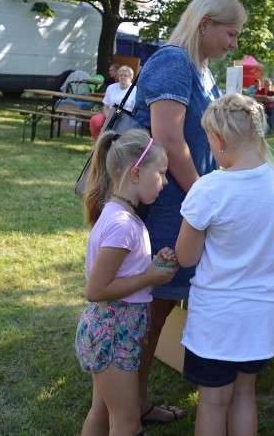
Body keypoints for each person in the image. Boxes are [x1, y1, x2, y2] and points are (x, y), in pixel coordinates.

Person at [132, 0, 247, 424]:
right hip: (165, 204)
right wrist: (202, 194)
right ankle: (126, 408)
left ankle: (135, 403)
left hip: (182, 201)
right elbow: (167, 140)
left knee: (157, 314)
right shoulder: (174, 62)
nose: (233, 44)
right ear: (205, 25)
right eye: (230, 33)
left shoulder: (199, 69)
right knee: (149, 312)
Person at [174, 93, 274, 435]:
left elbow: (186, 257)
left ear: (218, 140)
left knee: (214, 402)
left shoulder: (210, 189)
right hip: (261, 314)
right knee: (245, 394)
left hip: (217, 318)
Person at [75, 129, 179, 436]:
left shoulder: (122, 216)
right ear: (135, 173)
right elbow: (95, 291)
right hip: (113, 334)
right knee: (127, 421)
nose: (165, 181)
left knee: (104, 412)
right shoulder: (123, 226)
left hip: (113, 331)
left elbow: (122, 272)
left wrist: (151, 265)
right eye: (161, 173)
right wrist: (149, 276)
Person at [89, 65, 136, 140]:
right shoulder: (111, 88)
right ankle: (98, 142)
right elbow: (106, 106)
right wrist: (110, 117)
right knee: (95, 121)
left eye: (125, 75)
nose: (123, 77)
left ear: (131, 77)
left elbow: (134, 110)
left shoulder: (135, 90)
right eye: (120, 75)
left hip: (126, 117)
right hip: (110, 114)